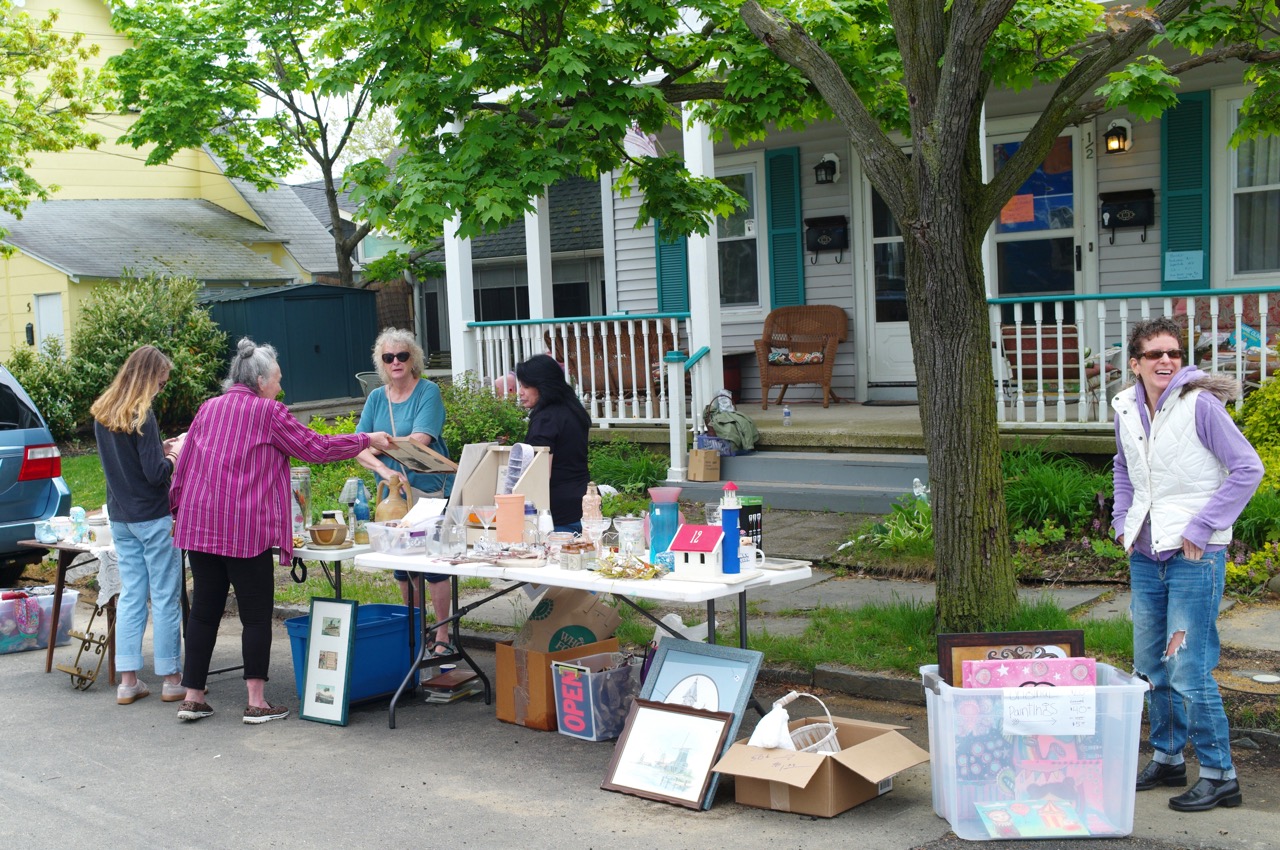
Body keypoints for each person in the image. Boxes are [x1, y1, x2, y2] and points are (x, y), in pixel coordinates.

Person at [171, 338, 392, 724]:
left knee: (204, 611)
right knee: (255, 615)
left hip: (201, 522)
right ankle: (256, 702)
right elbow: (316, 447)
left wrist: (177, 507)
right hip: (244, 527)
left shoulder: (208, 408)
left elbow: (185, 461)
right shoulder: (268, 412)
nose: (280, 386)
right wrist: (365, 439)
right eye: (277, 379)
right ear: (259, 381)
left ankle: (193, 696)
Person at [1111, 317, 1263, 812]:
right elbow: (1123, 466)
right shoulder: (1126, 409)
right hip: (1145, 554)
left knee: (1189, 669)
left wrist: (1202, 527)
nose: (1165, 361)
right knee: (1152, 666)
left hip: (1195, 557)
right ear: (1134, 363)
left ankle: (1221, 774)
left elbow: (1247, 469)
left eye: (1172, 353)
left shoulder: (1200, 404)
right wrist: (1121, 521)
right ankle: (1169, 756)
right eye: (1153, 354)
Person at [91, 346, 187, 706]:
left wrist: (158, 448)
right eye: (160, 383)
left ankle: (128, 681)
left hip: (121, 516)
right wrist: (174, 455)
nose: (161, 389)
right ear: (149, 378)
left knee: (132, 596)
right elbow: (155, 474)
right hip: (152, 515)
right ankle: (171, 678)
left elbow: (126, 460)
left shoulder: (105, 412)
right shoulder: (142, 414)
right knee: (164, 596)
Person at [355, 328, 455, 651]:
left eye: (402, 356)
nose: (395, 362)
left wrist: (379, 443)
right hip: (392, 497)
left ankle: (442, 634)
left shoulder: (428, 392)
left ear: (413, 359)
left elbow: (419, 441)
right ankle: (416, 629)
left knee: (434, 566)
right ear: (381, 363)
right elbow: (357, 446)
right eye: (388, 357)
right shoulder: (375, 398)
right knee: (403, 566)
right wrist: (384, 468)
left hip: (428, 492)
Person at [515, 353, 591, 534]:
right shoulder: (573, 409)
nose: (520, 392)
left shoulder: (546, 419)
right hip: (581, 504)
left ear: (543, 386)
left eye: (525, 386)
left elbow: (539, 474)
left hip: (555, 513)